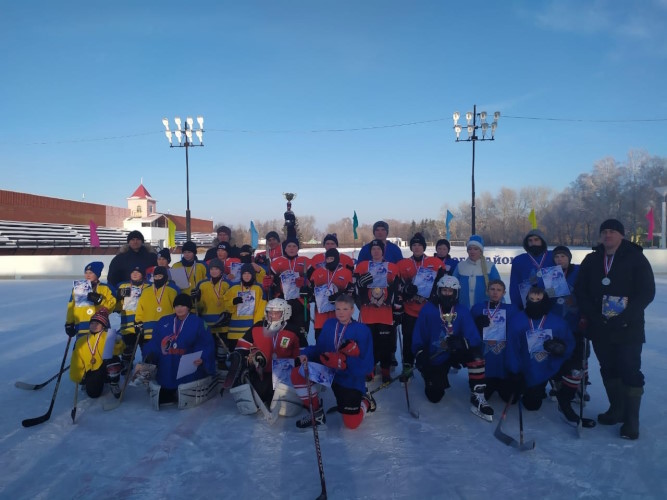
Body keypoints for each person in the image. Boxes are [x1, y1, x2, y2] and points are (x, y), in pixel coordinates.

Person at [575, 219, 655, 440]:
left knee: (629, 369)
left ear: (621, 235)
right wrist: (593, 316)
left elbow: (647, 292)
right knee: (608, 368)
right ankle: (616, 409)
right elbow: (580, 291)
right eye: (604, 231)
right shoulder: (592, 259)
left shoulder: (636, 258)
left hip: (628, 326)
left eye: (612, 231)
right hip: (600, 326)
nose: (607, 235)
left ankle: (631, 421)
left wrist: (625, 317)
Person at [412, 275, 494, 421]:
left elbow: (473, 337)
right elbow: (418, 335)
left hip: (455, 352)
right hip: (436, 355)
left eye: (451, 291)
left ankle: (478, 396)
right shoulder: (428, 310)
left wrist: (462, 342)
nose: (447, 293)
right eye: (444, 290)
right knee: (435, 396)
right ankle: (429, 375)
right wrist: (420, 353)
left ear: (456, 293)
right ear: (439, 291)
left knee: (476, 355)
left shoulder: (461, 311)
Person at [293, 294, 376, 430]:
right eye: (338, 309)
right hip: (328, 373)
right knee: (298, 372)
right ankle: (316, 412)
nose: (341, 313)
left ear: (352, 310)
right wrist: (305, 355)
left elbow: (367, 365)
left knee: (351, 424)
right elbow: (320, 349)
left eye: (345, 309)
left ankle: (366, 401)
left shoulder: (362, 330)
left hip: (350, 379)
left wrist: (344, 362)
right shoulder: (329, 324)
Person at [505, 286, 575, 413]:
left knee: (533, 405)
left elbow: (569, 343)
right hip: (525, 367)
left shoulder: (557, 322)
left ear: (545, 300)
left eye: (538, 299)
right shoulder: (517, 320)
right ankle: (527, 386)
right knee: (522, 400)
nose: (534, 302)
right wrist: (514, 371)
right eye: (531, 299)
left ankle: (553, 389)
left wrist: (562, 350)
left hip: (547, 365)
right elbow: (512, 348)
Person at [229, 299, 303, 416]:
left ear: (285, 313)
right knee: (260, 396)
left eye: (277, 313)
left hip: (284, 375)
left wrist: (297, 364)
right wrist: (247, 358)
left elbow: (302, 354)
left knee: (282, 404)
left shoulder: (294, 330)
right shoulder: (257, 327)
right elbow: (241, 347)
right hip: (262, 373)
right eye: (270, 312)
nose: (272, 316)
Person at [142, 293, 217, 408]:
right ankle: (168, 389)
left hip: (188, 365)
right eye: (177, 306)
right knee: (163, 397)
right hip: (167, 364)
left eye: (183, 306)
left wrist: (202, 358)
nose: (179, 309)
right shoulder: (163, 321)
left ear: (188, 307)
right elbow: (155, 342)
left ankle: (180, 389)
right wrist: (149, 356)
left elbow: (206, 343)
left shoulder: (198, 323)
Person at [396, 233, 443, 381]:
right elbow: (397, 286)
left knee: (429, 340)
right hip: (410, 311)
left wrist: (434, 293)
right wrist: (406, 290)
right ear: (411, 247)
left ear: (424, 246)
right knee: (409, 340)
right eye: (414, 245)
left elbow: (443, 283)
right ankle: (408, 368)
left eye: (419, 245)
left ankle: (427, 366)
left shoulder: (435, 262)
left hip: (429, 311)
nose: (417, 248)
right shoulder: (402, 264)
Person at [354, 239, 401, 382]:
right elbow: (354, 288)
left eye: (378, 249)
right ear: (370, 251)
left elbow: (398, 289)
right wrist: (360, 284)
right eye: (373, 249)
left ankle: (385, 370)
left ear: (383, 251)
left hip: (385, 312)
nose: (376, 251)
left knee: (385, 344)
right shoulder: (362, 266)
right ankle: (370, 369)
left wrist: (397, 308)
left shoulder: (392, 267)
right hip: (367, 313)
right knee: (368, 343)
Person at [470, 279, 517, 402]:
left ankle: (502, 382)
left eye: (499, 290)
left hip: (503, 360)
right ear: (487, 291)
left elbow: (518, 330)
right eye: (492, 289)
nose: (495, 292)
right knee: (483, 395)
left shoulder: (511, 309)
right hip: (486, 359)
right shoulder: (477, 308)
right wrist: (477, 323)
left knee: (511, 399)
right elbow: (469, 329)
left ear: (503, 293)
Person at [69, 308, 124, 398]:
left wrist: (117, 342)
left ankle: (114, 383)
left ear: (103, 326)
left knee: (113, 360)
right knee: (93, 394)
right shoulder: (81, 341)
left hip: (105, 368)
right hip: (92, 371)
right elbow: (76, 360)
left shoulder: (108, 337)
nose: (94, 325)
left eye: (97, 324)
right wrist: (78, 376)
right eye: (92, 323)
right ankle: (89, 383)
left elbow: (118, 351)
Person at [267, 237, 310, 345]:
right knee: (283, 335)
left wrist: (306, 283)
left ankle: (301, 357)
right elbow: (270, 282)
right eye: (289, 246)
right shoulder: (277, 262)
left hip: (300, 303)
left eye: (294, 246)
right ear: (285, 249)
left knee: (301, 334)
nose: (291, 249)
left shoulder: (304, 261)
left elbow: (314, 283)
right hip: (283, 302)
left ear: (298, 248)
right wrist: (268, 283)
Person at [307, 248, 354, 341]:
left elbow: (351, 294)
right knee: (321, 348)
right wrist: (306, 292)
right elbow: (311, 293)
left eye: (332, 259)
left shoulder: (346, 273)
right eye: (328, 259)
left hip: (340, 318)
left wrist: (340, 296)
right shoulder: (317, 272)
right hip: (321, 319)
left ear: (337, 259)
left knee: (339, 347)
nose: (329, 261)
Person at [65, 261, 117, 338]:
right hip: (81, 326)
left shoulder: (106, 288)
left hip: (99, 326)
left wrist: (100, 301)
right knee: (81, 349)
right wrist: (69, 323)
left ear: (97, 274)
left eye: (91, 273)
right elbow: (71, 306)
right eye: (86, 272)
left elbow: (112, 305)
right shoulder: (78, 288)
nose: (88, 275)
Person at [134, 266, 179, 352]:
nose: (157, 278)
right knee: (149, 355)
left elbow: (175, 309)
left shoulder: (172, 291)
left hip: (166, 329)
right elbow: (140, 308)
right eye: (155, 276)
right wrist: (138, 321)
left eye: (160, 276)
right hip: (148, 329)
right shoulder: (146, 291)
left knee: (165, 354)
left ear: (165, 277)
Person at [114, 266, 150, 372]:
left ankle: (146, 367)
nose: (134, 274)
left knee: (146, 348)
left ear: (143, 275)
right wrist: (118, 298)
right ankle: (126, 364)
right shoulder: (123, 286)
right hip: (128, 325)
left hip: (143, 324)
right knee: (128, 348)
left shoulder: (149, 286)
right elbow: (117, 308)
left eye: (138, 272)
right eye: (133, 272)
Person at [224, 263, 267, 350]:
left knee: (248, 355)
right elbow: (226, 305)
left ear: (253, 275)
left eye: (249, 274)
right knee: (235, 355)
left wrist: (256, 325)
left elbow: (261, 308)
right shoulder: (234, 288)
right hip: (235, 329)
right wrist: (233, 302)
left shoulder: (258, 288)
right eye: (244, 274)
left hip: (250, 328)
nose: (246, 276)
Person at [509, 229, 554, 309]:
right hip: (528, 303)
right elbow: (514, 285)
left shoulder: (554, 256)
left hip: (552, 303)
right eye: (530, 241)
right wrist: (516, 305)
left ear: (542, 241)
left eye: (536, 240)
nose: (533, 243)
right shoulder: (519, 260)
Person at [453, 235, 501, 310]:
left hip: (484, 310)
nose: (472, 251)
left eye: (475, 249)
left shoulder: (490, 266)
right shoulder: (460, 266)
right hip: (463, 308)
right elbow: (453, 288)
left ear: (481, 251)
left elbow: (498, 288)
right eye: (470, 249)